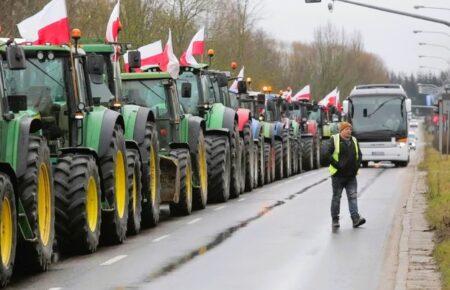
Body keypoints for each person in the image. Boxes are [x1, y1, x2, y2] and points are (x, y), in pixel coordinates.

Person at [328, 121, 366, 229]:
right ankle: (335, 220)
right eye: (347, 129)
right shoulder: (334, 140)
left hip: (351, 176)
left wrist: (357, 166)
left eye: (350, 129)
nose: (349, 131)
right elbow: (327, 154)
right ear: (341, 130)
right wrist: (337, 166)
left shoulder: (354, 140)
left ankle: (355, 219)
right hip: (338, 176)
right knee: (336, 198)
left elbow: (359, 155)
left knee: (353, 197)